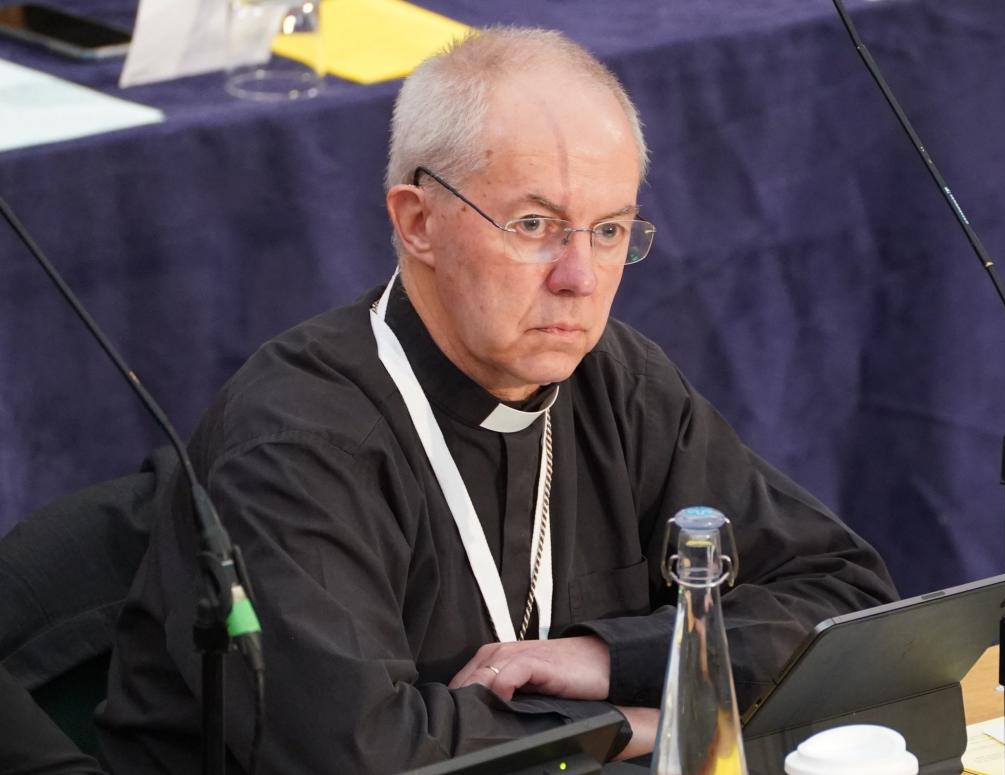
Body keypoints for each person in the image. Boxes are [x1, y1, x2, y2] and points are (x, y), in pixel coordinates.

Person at [97, 26, 897, 772]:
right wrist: (635, 725)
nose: (579, 277)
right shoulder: (296, 441)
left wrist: (610, 657)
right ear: (418, 223)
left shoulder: (612, 379)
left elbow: (845, 598)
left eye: (610, 230)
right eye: (534, 223)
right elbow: (364, 754)